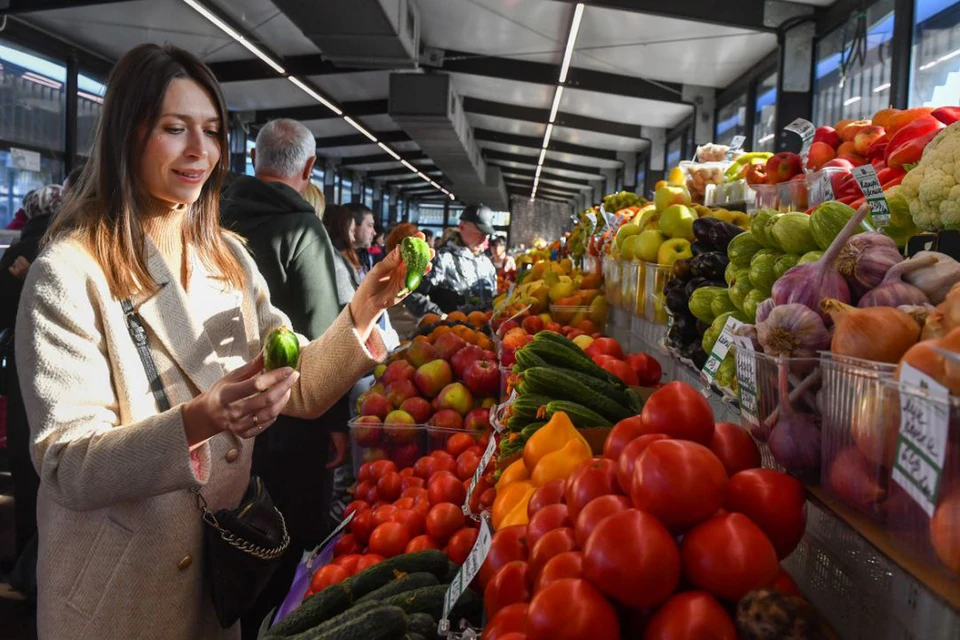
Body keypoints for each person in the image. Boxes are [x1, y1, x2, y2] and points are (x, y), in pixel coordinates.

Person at [16, 44, 419, 640]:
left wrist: (365, 307)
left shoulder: (227, 258)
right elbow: (67, 461)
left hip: (214, 576)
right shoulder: (70, 272)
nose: (199, 151)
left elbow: (296, 380)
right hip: (119, 592)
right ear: (127, 135)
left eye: (211, 131)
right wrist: (199, 420)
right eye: (174, 129)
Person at [218, 118, 351, 638]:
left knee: (230, 532)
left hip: (217, 410)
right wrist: (335, 422)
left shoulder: (215, 215)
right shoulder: (303, 229)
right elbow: (322, 337)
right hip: (288, 417)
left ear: (255, 160)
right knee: (283, 532)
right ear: (310, 168)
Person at [0, 185, 63, 575]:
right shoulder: (67, 248)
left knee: (27, 465)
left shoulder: (18, 253)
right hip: (56, 375)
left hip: (21, 373)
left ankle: (25, 562)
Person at [406, 204, 498, 317]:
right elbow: (411, 292)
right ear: (462, 226)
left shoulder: (486, 263)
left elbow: (494, 298)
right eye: (480, 232)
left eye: (487, 234)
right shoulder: (442, 258)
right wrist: (438, 315)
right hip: (449, 331)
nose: (483, 239)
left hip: (484, 331)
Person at [342, 202, 376, 274]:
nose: (374, 233)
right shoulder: (339, 262)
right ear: (352, 225)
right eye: (370, 226)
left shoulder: (363, 256)